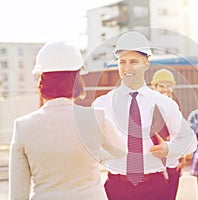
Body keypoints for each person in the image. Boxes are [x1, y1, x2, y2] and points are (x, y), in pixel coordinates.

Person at [9, 41, 125, 200]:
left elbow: (18, 195)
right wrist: (97, 153)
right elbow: (121, 150)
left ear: (42, 81)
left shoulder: (23, 126)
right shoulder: (95, 118)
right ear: (78, 79)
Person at [92, 31, 197, 200]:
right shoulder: (102, 104)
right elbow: (90, 145)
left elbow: (190, 140)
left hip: (154, 188)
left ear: (147, 63)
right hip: (116, 188)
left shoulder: (165, 103)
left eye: (133, 62)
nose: (127, 68)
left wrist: (169, 149)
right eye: (122, 62)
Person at [151, 68, 186, 200]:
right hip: (154, 166)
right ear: (154, 87)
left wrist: (182, 155)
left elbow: (179, 133)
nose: (165, 89)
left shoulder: (174, 107)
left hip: (172, 164)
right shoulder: (148, 107)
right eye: (161, 85)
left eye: (169, 85)